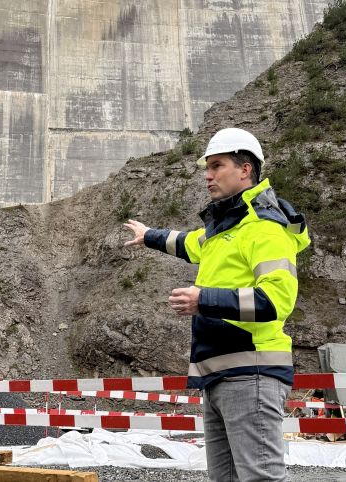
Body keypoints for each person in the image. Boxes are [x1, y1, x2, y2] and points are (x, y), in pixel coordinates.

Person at [123, 127, 310, 481]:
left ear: (245, 169)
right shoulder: (224, 230)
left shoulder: (265, 229)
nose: (207, 175)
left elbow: (275, 301)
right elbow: (187, 243)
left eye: (217, 166)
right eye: (206, 167)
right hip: (220, 375)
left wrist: (202, 299)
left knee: (260, 478)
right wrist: (148, 236)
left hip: (252, 372)